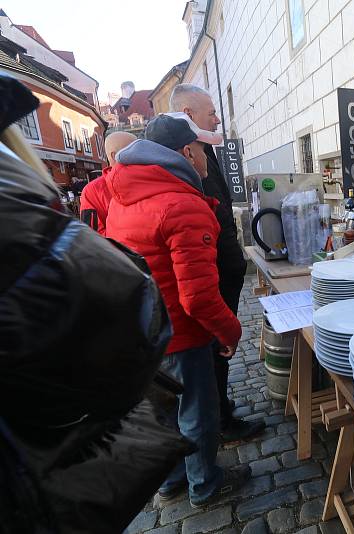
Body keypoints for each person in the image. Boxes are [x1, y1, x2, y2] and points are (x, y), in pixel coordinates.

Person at [105, 113, 250, 508]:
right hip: (181, 334)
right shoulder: (183, 203)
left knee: (161, 411)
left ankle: (170, 482)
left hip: (143, 329)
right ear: (187, 152)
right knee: (197, 414)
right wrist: (230, 331)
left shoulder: (123, 195)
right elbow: (199, 297)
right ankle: (204, 484)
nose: (206, 157)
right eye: (204, 148)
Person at [169, 84, 264, 443]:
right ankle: (220, 421)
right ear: (189, 115)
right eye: (211, 112)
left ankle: (220, 409)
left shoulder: (203, 146)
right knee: (214, 349)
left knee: (215, 357)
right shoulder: (186, 155)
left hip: (224, 270)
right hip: (213, 275)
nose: (218, 117)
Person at [79, 131, 137, 235]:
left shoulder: (146, 178)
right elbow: (92, 234)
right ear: (115, 156)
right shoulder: (93, 191)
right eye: (133, 151)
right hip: (118, 250)